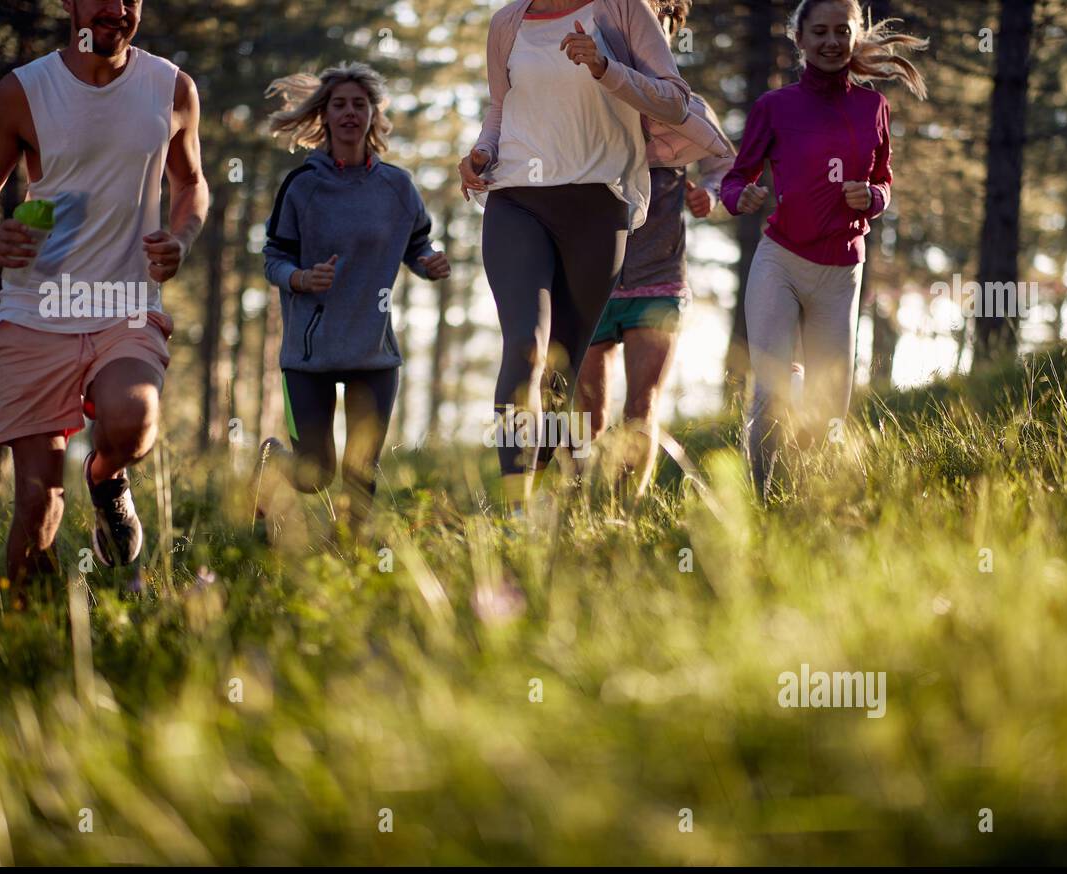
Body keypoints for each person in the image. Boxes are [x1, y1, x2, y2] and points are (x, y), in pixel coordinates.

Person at [0, 0, 207, 605]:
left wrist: (180, 237)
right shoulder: (24, 91)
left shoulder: (170, 87)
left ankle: (105, 477)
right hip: (36, 311)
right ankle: (34, 650)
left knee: (133, 421)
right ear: (69, 3)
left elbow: (191, 183)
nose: (116, 10)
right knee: (37, 511)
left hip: (124, 302)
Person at [460, 0, 730, 517]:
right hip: (517, 199)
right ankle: (517, 509)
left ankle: (556, 499)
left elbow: (675, 102)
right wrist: (481, 154)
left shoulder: (623, 10)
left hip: (598, 204)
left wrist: (607, 70)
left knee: (562, 369)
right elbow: (501, 107)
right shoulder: (507, 23)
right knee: (525, 346)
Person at [720, 0, 926, 498]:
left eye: (842, 31)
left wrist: (873, 197)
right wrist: (739, 196)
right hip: (782, 260)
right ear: (800, 38)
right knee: (769, 390)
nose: (832, 41)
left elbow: (883, 180)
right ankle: (761, 500)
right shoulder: (774, 107)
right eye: (820, 32)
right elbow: (735, 178)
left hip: (841, 274)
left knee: (829, 406)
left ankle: (809, 500)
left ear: (855, 36)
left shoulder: (874, 108)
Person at [259, 62, 450, 529]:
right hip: (310, 355)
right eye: (339, 104)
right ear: (324, 115)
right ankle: (272, 466)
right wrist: (301, 279)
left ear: (372, 114)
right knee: (312, 475)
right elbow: (273, 258)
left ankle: (354, 567)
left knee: (361, 472)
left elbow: (418, 246)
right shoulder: (302, 186)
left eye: (358, 104)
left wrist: (429, 263)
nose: (349, 112)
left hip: (374, 352)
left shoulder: (398, 186)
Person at [573, 0, 734, 499]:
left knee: (642, 407)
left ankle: (622, 514)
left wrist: (709, 193)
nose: (647, 32)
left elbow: (723, 163)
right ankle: (574, 511)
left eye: (657, 23)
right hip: (590, 277)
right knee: (586, 416)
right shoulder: (587, 100)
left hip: (658, 274)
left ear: (669, 28)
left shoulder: (687, 107)